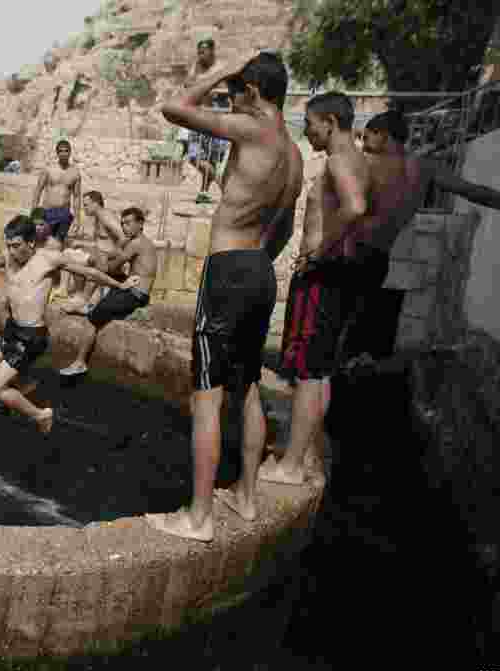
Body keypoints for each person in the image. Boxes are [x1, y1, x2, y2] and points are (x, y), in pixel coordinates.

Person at [151, 51, 303, 541]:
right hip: (261, 271)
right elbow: (283, 228)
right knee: (249, 387)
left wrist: (221, 71)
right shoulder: (294, 153)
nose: (230, 100)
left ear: (253, 93)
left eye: (235, 92)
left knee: (207, 397)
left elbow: (174, 108)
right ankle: (247, 496)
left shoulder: (253, 128)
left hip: (229, 273)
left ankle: (198, 518)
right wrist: (254, 258)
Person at [259, 92, 371, 487]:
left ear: (330, 122)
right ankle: (307, 456)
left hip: (322, 276)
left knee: (307, 369)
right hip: (338, 274)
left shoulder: (340, 161)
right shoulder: (359, 159)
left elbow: (354, 207)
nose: (305, 131)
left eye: (309, 123)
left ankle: (291, 466)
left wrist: (319, 250)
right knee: (320, 369)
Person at [341, 110, 500, 363]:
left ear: (383, 136)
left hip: (354, 253)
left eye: (367, 137)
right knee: (377, 343)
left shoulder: (368, 164)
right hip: (385, 258)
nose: (364, 144)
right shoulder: (425, 167)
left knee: (346, 335)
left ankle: (331, 388)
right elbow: (472, 191)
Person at [0, 215, 141, 434]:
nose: (11, 251)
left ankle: (41, 415)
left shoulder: (48, 259)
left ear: (31, 242)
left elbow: (90, 272)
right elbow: (2, 258)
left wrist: (120, 284)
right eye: (8, 245)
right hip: (12, 330)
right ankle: (23, 382)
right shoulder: (9, 255)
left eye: (16, 246)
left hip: (31, 337)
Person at [59, 207, 158, 375]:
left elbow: (112, 266)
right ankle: (87, 302)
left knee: (92, 320)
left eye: (128, 223)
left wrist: (98, 261)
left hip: (135, 295)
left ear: (140, 224)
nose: (124, 227)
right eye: (122, 224)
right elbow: (115, 258)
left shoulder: (136, 244)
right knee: (101, 270)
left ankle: (80, 362)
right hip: (136, 290)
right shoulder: (142, 242)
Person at [60, 190, 128, 312]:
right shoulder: (98, 217)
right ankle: (77, 294)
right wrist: (81, 243)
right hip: (99, 255)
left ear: (95, 203)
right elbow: (102, 242)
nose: (84, 208)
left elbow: (123, 237)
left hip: (107, 261)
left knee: (73, 259)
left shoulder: (105, 216)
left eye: (86, 205)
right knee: (69, 254)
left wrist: (110, 256)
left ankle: (81, 298)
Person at [183, 39, 232, 204]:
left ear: (212, 51)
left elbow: (227, 91)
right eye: (199, 52)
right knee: (194, 157)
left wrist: (211, 88)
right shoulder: (196, 67)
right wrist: (201, 84)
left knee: (212, 160)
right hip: (198, 118)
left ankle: (204, 192)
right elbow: (187, 84)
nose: (200, 55)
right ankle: (223, 184)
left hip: (216, 119)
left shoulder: (222, 68)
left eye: (203, 51)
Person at [30, 139, 81, 246]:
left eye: (66, 151)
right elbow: (38, 190)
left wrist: (77, 218)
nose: (63, 153)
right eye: (61, 151)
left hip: (64, 213)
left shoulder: (75, 172)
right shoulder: (48, 169)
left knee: (58, 243)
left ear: (70, 152)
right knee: (41, 242)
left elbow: (76, 196)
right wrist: (34, 212)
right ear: (57, 153)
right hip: (47, 212)